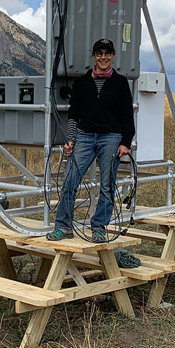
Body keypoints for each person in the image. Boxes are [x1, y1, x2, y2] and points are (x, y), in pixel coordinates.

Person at [46, 38, 134, 243]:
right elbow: (74, 114)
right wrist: (70, 139)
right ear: (94, 56)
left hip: (111, 137)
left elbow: (127, 115)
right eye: (99, 53)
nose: (103, 57)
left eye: (107, 53)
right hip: (84, 136)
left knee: (107, 185)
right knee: (69, 181)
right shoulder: (82, 82)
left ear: (113, 56)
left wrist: (126, 142)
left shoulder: (120, 83)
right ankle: (63, 226)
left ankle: (99, 227)